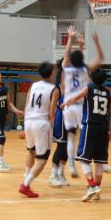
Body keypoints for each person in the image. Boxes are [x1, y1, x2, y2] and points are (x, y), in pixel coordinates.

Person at [61, 68, 111, 202]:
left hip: (90, 126)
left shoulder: (88, 88)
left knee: (83, 159)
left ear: (92, 78)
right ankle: (97, 189)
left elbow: (75, 98)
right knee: (99, 162)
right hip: (104, 129)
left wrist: (65, 103)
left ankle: (92, 186)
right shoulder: (110, 93)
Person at [62, 26, 103, 178]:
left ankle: (72, 166)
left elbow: (67, 55)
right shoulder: (86, 69)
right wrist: (96, 43)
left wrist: (70, 38)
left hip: (68, 105)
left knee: (71, 137)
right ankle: (97, 161)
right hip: (81, 106)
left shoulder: (66, 68)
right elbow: (100, 58)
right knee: (88, 135)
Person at [19, 61, 60, 198]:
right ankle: (25, 184)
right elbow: (52, 114)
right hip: (41, 123)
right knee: (42, 158)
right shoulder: (54, 89)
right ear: (51, 73)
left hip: (28, 121)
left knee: (31, 151)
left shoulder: (33, 85)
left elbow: (26, 106)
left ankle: (26, 175)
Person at [48, 60, 70, 188]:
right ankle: (53, 175)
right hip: (60, 118)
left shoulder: (72, 87)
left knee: (67, 148)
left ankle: (61, 173)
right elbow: (52, 108)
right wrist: (50, 123)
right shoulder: (57, 89)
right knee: (61, 146)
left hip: (70, 118)